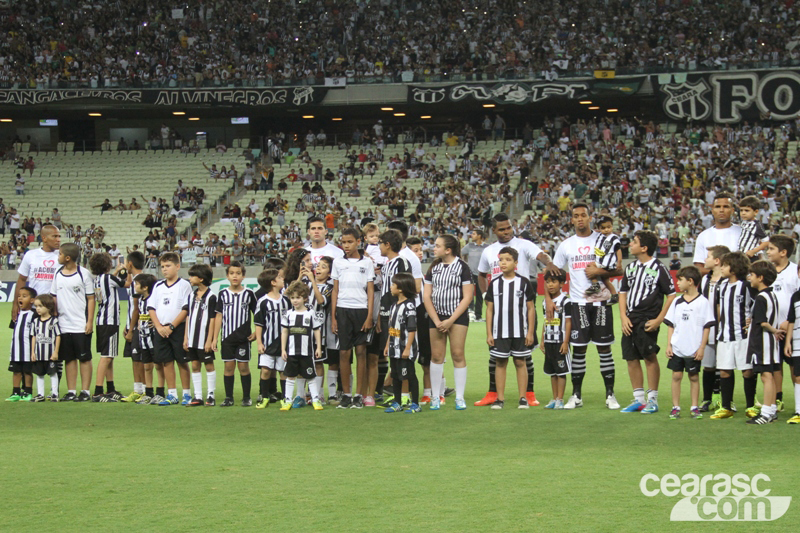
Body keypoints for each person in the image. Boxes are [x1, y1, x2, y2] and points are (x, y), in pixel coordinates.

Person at [476, 213, 558, 408]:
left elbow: (541, 255)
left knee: (525, 354)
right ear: (493, 231)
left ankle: (528, 393)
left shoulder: (523, 244)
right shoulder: (489, 251)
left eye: (509, 228)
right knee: (495, 355)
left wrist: (549, 263)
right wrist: (485, 296)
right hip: (498, 310)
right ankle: (493, 393)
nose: (506, 232)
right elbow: (481, 274)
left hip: (522, 308)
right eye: (502, 229)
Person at [551, 204, 620, 410]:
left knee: (604, 349)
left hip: (600, 302)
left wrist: (599, 271)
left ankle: (610, 395)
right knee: (578, 350)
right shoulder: (566, 245)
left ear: (590, 218)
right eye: (576, 216)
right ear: (571, 220)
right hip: (578, 303)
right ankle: (576, 395)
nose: (580, 219)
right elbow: (554, 274)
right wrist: (550, 299)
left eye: (583, 215)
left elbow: (618, 269)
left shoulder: (603, 240)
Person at [619, 231, 677, 414]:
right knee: (631, 357)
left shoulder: (660, 268)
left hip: (647, 320)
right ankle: (638, 399)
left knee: (649, 357)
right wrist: (623, 316)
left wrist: (659, 319)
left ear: (644, 248)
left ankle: (652, 399)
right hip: (630, 319)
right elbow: (622, 293)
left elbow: (672, 295)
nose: (630, 245)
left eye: (634, 242)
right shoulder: (630, 268)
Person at [424, 234, 473, 410]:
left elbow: (467, 297)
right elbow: (426, 296)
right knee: (436, 356)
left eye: (437, 246)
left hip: (457, 317)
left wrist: (450, 320)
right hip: (436, 317)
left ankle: (460, 397)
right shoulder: (433, 268)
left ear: (448, 250)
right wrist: (437, 320)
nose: (433, 248)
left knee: (458, 354)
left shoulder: (462, 267)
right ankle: (436, 396)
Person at [485, 247, 536, 410]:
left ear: (516, 263)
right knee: (500, 362)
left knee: (520, 362)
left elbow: (530, 309)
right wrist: (489, 333)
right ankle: (500, 399)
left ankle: (523, 398)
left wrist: (530, 332)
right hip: (500, 332)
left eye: (507, 259)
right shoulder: (494, 283)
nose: (503, 263)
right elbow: (490, 310)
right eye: (501, 260)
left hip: (520, 331)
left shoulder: (524, 282)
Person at [331, 228, 375, 409]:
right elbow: (335, 290)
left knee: (361, 352)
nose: (346, 245)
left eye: (350, 242)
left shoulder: (367, 263)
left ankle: (359, 394)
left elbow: (370, 290)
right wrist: (333, 317)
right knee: (343, 352)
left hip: (361, 310)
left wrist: (369, 316)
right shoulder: (338, 262)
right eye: (343, 242)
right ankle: (346, 395)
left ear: (358, 241)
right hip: (343, 310)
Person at [664, 266, 714, 420]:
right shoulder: (677, 302)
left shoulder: (703, 302)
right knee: (676, 376)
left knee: (693, 376)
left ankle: (694, 407)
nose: (677, 283)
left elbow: (707, 327)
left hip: (694, 349)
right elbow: (671, 324)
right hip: (677, 347)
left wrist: (701, 348)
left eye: (680, 280)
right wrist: (669, 345)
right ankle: (676, 407)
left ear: (690, 281)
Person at [710, 252, 754, 419]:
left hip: (743, 335)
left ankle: (750, 406)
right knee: (724, 372)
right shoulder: (722, 285)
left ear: (734, 268)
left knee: (747, 371)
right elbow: (720, 308)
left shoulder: (746, 286)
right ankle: (726, 407)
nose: (721, 267)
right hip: (725, 335)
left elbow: (756, 305)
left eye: (725, 265)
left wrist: (752, 320)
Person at [51, 243, 95, 402]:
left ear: (67, 257)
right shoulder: (57, 273)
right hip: (63, 325)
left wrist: (89, 321)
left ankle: (85, 391)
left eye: (60, 254)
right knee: (69, 358)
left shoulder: (84, 274)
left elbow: (91, 299)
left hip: (80, 324)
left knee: (84, 358)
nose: (58, 257)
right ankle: (71, 391)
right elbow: (54, 296)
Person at [148, 252, 193, 406]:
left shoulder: (184, 285)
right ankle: (172, 394)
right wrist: (159, 327)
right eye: (162, 267)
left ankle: (187, 394)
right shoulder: (158, 286)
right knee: (166, 362)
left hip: (178, 328)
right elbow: (151, 308)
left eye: (168, 266)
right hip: (160, 330)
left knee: (182, 361)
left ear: (177, 266)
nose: (165, 269)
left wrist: (172, 326)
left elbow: (186, 308)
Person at [374, 230, 411, 407]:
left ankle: (404, 395)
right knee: (390, 354)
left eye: (380, 242)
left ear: (387, 245)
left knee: (400, 353)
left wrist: (395, 314)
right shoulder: (388, 264)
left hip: (397, 317)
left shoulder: (401, 262)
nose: (379, 246)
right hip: (387, 315)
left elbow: (404, 291)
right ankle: (396, 394)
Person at [213, 261, 257, 407]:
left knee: (243, 367)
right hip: (227, 338)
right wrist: (214, 338)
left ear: (243, 276)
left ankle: (246, 397)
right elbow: (218, 317)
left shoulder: (249, 294)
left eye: (238, 273)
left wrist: (256, 331)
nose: (235, 276)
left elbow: (257, 314)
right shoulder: (223, 294)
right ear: (227, 276)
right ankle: (229, 397)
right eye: (232, 273)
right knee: (229, 367)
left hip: (244, 338)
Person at [744, 260, 782, 424]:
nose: (749, 278)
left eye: (751, 275)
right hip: (771, 345)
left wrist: (774, 330)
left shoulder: (760, 297)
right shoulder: (772, 295)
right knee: (771, 377)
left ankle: (765, 412)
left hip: (762, 343)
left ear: (760, 277)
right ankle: (771, 410)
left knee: (766, 377)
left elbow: (763, 322)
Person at [765, 235, 799, 411]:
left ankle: (798, 401)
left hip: (792, 328)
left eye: (771, 249)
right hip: (771, 329)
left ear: (783, 252)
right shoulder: (767, 272)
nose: (767, 251)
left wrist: (788, 322)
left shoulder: (795, 272)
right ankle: (778, 400)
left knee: (795, 366)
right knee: (774, 366)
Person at [279, 281, 324, 411]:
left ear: (305, 298)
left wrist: (318, 347)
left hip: (307, 352)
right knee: (290, 376)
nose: (295, 300)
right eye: (292, 298)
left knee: (310, 376)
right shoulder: (288, 314)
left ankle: (315, 400)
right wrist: (283, 349)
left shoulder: (310, 313)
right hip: (292, 351)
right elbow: (285, 331)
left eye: (298, 297)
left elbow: (316, 330)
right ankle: (287, 400)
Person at [88, 252, 125, 402]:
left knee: (109, 355)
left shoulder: (98, 279)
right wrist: (125, 269)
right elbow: (124, 283)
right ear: (108, 265)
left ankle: (110, 389)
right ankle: (98, 391)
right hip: (110, 320)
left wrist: (116, 272)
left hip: (102, 320)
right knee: (107, 357)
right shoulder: (108, 278)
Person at [382, 272, 421, 413]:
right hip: (394, 347)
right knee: (395, 375)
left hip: (405, 348)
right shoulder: (393, 306)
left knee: (409, 375)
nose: (390, 287)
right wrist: (387, 345)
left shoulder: (409, 306)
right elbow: (392, 328)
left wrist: (407, 348)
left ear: (401, 289)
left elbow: (412, 329)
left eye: (393, 284)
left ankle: (416, 404)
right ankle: (397, 402)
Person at [698, 245, 730, 412]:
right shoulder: (704, 280)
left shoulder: (728, 281)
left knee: (724, 366)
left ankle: (722, 399)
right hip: (708, 331)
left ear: (717, 261)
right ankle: (707, 399)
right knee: (709, 366)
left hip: (724, 330)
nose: (705, 259)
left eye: (708, 256)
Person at [183, 264, 217, 407]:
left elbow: (212, 319)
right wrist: (186, 337)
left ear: (201, 279)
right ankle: (198, 396)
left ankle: (211, 395)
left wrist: (209, 340)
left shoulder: (211, 296)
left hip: (204, 338)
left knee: (209, 365)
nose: (189, 278)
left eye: (192, 276)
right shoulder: (191, 295)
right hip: (192, 338)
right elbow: (188, 317)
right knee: (195, 365)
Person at [254, 268, 289, 409]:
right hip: (267, 343)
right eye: (280, 278)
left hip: (283, 344)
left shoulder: (286, 301)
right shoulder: (263, 302)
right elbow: (258, 324)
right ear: (273, 282)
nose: (283, 280)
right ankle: (264, 397)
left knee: (283, 371)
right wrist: (259, 343)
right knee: (266, 370)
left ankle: (286, 397)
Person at [12, 224, 60, 322]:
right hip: (34, 307)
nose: (58, 239)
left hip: (55, 307)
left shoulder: (62, 256)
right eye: (54, 236)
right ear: (44, 238)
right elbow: (21, 279)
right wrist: (15, 304)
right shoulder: (31, 255)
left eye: (59, 236)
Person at [540, 269, 571, 409]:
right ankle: (554, 398)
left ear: (562, 283)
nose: (550, 285)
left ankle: (560, 399)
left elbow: (569, 322)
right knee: (552, 372)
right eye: (547, 282)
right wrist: (542, 340)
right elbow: (545, 321)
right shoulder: (544, 302)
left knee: (561, 371)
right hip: (549, 341)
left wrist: (566, 342)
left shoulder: (566, 301)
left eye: (553, 282)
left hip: (560, 341)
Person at [132, 273, 164, 404]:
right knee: (146, 366)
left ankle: (160, 392)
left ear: (145, 287)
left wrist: (157, 322)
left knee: (158, 365)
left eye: (137, 284)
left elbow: (161, 313)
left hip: (153, 337)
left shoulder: (154, 299)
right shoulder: (140, 299)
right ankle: (149, 392)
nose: (134, 286)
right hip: (143, 338)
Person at [693, 193, 742, 276]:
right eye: (718, 207)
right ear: (712, 210)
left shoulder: (743, 233)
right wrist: (719, 273)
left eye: (725, 206)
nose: (721, 210)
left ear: (732, 210)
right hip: (711, 285)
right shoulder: (703, 236)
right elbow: (698, 268)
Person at [120, 251, 146, 402]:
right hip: (135, 324)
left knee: (138, 359)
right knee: (136, 358)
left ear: (130, 264)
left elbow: (136, 308)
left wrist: (131, 329)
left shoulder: (138, 282)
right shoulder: (140, 280)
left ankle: (141, 390)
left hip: (138, 326)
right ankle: (139, 389)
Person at [6, 287, 36, 402]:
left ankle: (28, 392)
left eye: (24, 296)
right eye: (19, 296)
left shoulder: (33, 314)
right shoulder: (16, 314)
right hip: (16, 349)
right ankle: (16, 392)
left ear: (32, 300)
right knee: (16, 371)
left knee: (27, 371)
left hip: (28, 349)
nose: (20, 298)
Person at [30, 293, 61, 402]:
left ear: (48, 307)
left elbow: (58, 336)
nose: (37, 309)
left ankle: (54, 394)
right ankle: (40, 394)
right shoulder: (35, 322)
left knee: (53, 373)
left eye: (40, 306)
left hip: (50, 354)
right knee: (39, 374)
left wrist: (56, 352)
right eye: (36, 306)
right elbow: (33, 337)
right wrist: (33, 352)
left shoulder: (54, 321)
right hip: (39, 354)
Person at [585, 216, 622, 304]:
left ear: (612, 226)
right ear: (599, 229)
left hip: (607, 263)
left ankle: (596, 285)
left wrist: (619, 262)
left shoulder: (614, 238)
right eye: (603, 228)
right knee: (606, 281)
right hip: (602, 262)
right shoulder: (600, 236)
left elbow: (618, 250)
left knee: (590, 266)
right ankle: (614, 295)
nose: (606, 230)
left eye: (609, 227)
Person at [782, 264, 800, 424]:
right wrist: (788, 342)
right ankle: (798, 411)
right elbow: (792, 321)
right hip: (798, 343)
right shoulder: (795, 296)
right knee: (798, 376)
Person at [462, 229, 489, 321]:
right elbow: (460, 253)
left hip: (481, 274)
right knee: (469, 293)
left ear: (479, 236)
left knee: (480, 295)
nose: (471, 235)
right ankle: (471, 313)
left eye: (473, 234)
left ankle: (478, 315)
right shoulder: (469, 246)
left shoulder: (487, 247)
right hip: (470, 273)